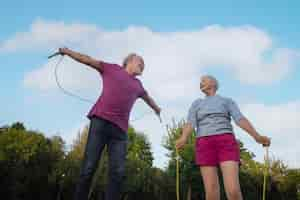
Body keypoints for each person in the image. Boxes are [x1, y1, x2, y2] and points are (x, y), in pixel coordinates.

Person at [58, 48, 161, 200]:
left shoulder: (138, 85)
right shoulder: (111, 68)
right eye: (141, 62)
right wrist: (67, 52)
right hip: (100, 122)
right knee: (89, 167)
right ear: (130, 61)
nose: (143, 65)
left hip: (120, 132)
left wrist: (156, 108)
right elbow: (87, 59)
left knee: (118, 172)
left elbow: (148, 99)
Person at [175, 75, 271, 200]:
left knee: (233, 191)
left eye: (204, 80)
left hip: (225, 141)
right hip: (204, 143)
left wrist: (257, 136)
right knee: (211, 193)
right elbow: (190, 123)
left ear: (214, 83)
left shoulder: (227, 101)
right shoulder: (197, 104)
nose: (201, 82)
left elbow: (240, 119)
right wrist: (183, 137)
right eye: (200, 81)